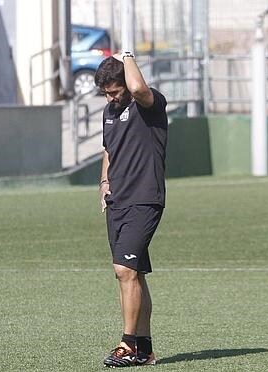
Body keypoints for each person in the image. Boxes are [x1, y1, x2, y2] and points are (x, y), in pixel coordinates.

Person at [95, 51, 168, 368]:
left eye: (114, 90)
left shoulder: (148, 105)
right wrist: (104, 183)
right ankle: (145, 349)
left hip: (144, 198)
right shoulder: (109, 112)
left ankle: (127, 343)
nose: (110, 97)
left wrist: (127, 58)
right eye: (106, 93)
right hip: (118, 201)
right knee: (133, 273)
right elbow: (108, 150)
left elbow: (138, 88)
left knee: (124, 270)